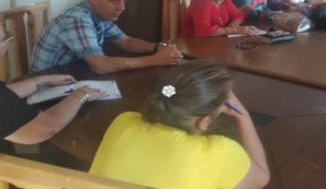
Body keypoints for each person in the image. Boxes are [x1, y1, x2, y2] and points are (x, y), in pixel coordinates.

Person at [0, 11, 103, 189]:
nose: (8, 42)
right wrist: (80, 94)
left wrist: (39, 81)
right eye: (5, 39)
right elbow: (48, 127)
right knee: (83, 167)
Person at [90, 60, 270, 189]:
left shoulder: (124, 121)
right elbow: (261, 176)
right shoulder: (220, 152)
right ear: (204, 121)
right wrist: (243, 116)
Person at [30, 0, 183, 74]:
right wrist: (154, 60)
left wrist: (157, 47)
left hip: (74, 75)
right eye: (114, 1)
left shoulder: (100, 15)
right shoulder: (77, 20)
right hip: (47, 87)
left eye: (123, 1)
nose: (122, 7)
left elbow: (126, 41)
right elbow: (100, 66)